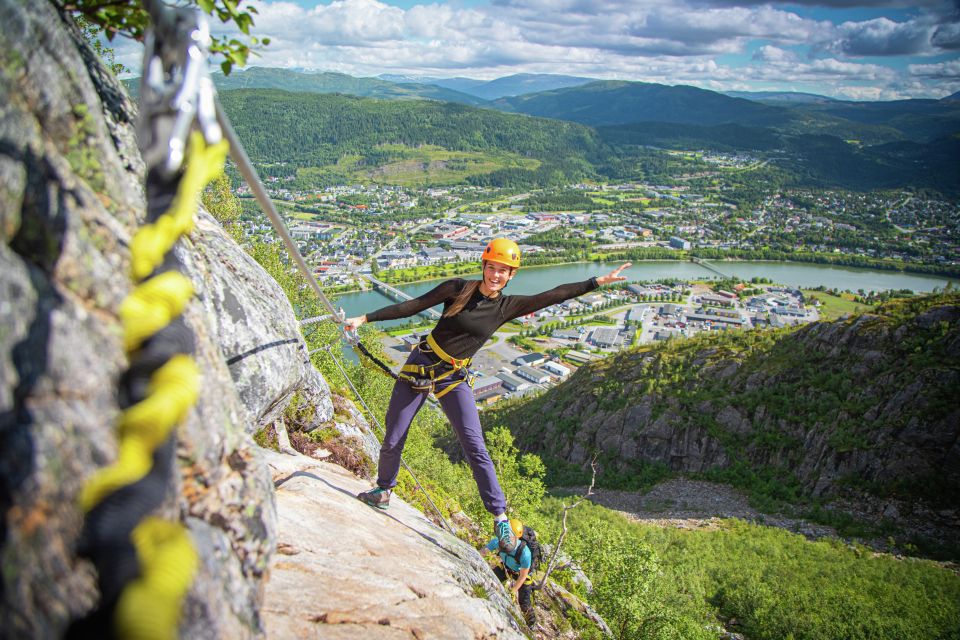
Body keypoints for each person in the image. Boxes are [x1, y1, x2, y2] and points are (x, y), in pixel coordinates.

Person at [346, 237, 629, 549]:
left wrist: (596, 281)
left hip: (454, 376)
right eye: (492, 268)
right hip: (422, 364)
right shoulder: (456, 289)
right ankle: (384, 489)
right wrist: (365, 318)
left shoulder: (507, 307)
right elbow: (413, 306)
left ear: (511, 276)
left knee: (475, 446)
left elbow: (553, 295)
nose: (495, 275)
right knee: (394, 434)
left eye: (503, 271)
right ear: (484, 267)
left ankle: (500, 519)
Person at [483, 519, 536, 627]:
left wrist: (513, 590)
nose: (505, 537)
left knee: (524, 603)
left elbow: (523, 575)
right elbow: (483, 552)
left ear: (516, 537)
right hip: (506, 568)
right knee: (489, 580)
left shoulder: (525, 553)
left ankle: (531, 624)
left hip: (522, 575)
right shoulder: (497, 542)